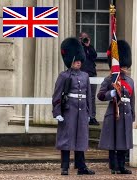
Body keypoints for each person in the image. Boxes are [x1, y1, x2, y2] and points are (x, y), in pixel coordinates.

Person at [52, 37, 95, 176]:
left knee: (81, 138)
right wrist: (57, 112)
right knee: (66, 139)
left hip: (82, 111)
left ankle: (81, 166)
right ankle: (64, 167)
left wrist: (90, 113)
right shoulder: (64, 76)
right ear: (70, 61)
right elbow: (57, 96)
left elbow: (89, 96)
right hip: (69, 110)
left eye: (79, 61)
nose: (78, 63)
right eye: (76, 61)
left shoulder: (85, 76)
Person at [97, 40, 135, 174]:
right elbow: (100, 95)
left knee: (123, 142)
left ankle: (122, 166)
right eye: (123, 66)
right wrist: (110, 93)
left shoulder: (130, 81)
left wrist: (133, 115)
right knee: (113, 142)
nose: (125, 68)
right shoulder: (110, 79)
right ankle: (114, 166)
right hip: (114, 113)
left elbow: (132, 100)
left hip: (126, 114)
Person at [79, 32, 99, 126]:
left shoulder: (90, 47)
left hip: (91, 74)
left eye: (86, 38)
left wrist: (88, 46)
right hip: (82, 74)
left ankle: (92, 117)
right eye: (83, 38)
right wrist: (82, 46)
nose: (85, 40)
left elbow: (94, 56)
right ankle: (83, 117)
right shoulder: (78, 47)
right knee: (82, 96)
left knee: (91, 97)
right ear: (80, 39)